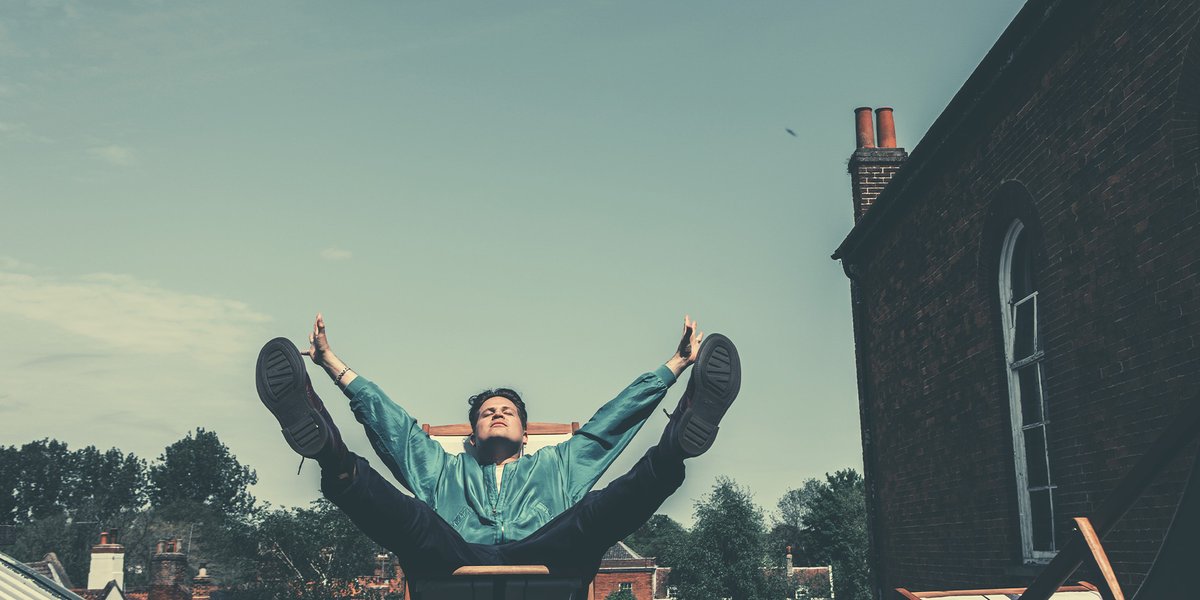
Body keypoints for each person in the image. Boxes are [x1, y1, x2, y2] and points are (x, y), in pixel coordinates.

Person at [254, 314, 740, 578]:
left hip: (550, 562)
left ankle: (677, 445)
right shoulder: (443, 471)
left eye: (508, 410)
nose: (498, 412)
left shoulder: (557, 466)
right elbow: (395, 427)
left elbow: (608, 426)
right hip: (453, 560)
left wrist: (674, 367)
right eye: (488, 411)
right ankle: (327, 450)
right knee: (415, 519)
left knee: (592, 514)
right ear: (471, 435)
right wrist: (334, 366)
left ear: (526, 434)